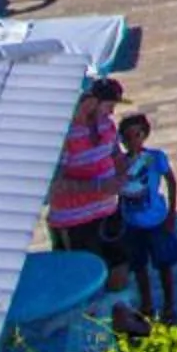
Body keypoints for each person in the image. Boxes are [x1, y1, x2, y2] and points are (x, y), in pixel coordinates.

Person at [47, 77, 127, 290]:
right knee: (84, 281)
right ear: (91, 102)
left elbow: (115, 154)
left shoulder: (106, 125)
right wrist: (98, 187)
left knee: (119, 268)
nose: (111, 112)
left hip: (108, 212)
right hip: (76, 222)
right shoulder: (64, 134)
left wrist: (126, 171)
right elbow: (55, 184)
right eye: (108, 105)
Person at [117, 113, 177, 324]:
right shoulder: (120, 163)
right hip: (132, 223)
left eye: (137, 134)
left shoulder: (155, 157)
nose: (132, 140)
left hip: (156, 221)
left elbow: (171, 181)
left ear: (144, 135)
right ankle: (146, 304)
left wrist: (171, 212)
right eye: (127, 137)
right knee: (139, 267)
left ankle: (169, 305)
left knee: (164, 265)